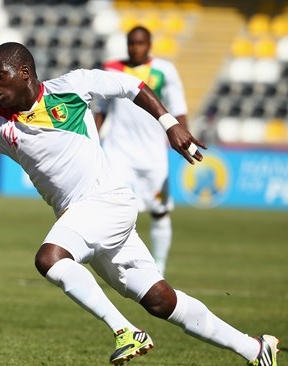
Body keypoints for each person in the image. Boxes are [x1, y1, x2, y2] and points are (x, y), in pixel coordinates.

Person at [0, 42, 279, 366]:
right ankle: (256, 349)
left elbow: (132, 87)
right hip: (84, 218)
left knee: (49, 259)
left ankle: (126, 331)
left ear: (24, 72)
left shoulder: (73, 86)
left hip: (106, 201)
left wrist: (169, 124)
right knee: (161, 300)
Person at [93, 25, 187, 277]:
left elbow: (178, 108)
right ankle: (119, 264)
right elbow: (100, 109)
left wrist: (184, 136)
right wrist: (93, 142)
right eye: (131, 43)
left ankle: (160, 267)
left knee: (159, 211)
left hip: (153, 154)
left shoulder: (165, 70)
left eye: (140, 43)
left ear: (149, 44)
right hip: (118, 152)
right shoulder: (111, 69)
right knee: (116, 209)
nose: (135, 47)